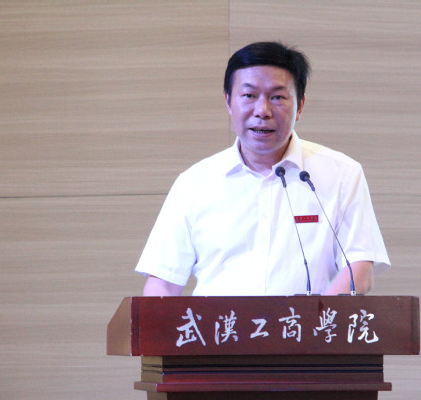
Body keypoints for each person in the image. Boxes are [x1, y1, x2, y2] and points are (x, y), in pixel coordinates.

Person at [136, 41, 390, 296]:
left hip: (305, 323)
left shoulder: (342, 174)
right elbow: (163, 283)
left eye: (277, 97)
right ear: (228, 102)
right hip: (222, 323)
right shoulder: (194, 183)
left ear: (300, 106)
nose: (262, 111)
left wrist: (314, 318)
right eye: (249, 96)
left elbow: (359, 270)